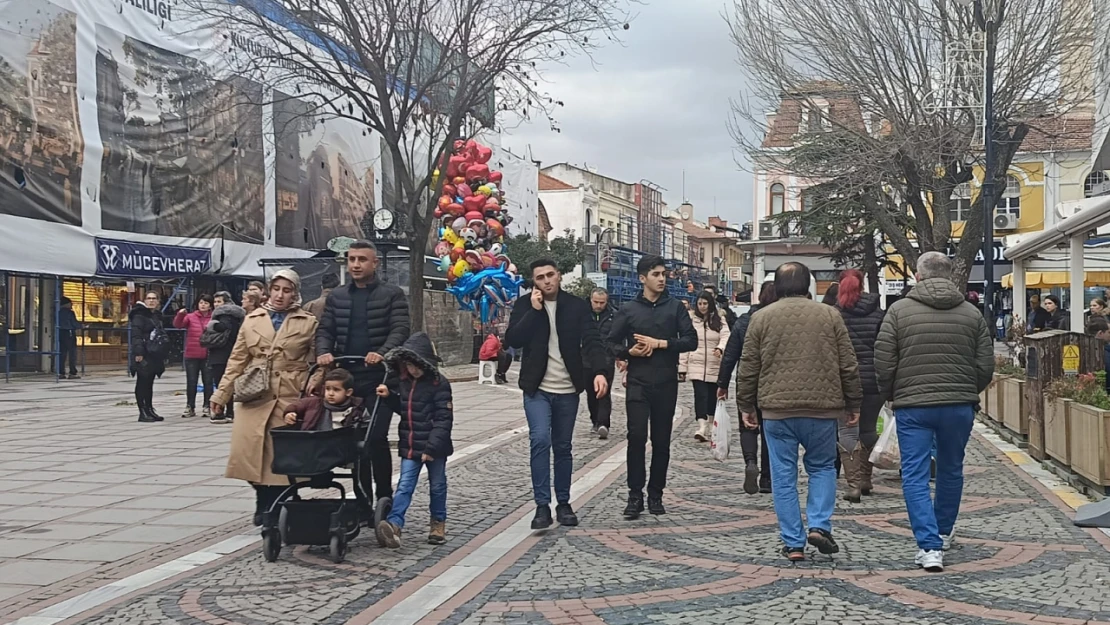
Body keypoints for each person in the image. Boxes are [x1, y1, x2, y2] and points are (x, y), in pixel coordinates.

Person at [875, 252, 994, 573]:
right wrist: (967, 390)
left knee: (914, 473)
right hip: (958, 405)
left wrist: (889, 395)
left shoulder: (898, 311)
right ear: (951, 276)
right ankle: (943, 530)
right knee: (951, 469)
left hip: (913, 405)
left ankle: (929, 546)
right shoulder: (971, 314)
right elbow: (985, 366)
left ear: (918, 276)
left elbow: (884, 362)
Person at [736, 262, 862, 561]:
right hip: (821, 409)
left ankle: (793, 542)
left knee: (782, 475)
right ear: (808, 286)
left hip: (776, 410)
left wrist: (746, 405)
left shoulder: (761, 318)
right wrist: (853, 402)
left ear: (776, 287)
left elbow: (749, 365)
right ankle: (818, 524)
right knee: (822, 467)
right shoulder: (830, 315)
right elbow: (848, 363)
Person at [505, 258, 609, 529]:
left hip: (567, 389)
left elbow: (593, 340)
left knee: (563, 447)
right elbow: (513, 340)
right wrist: (534, 311)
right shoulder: (525, 305)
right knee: (540, 440)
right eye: (540, 277)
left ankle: (563, 503)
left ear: (559, 276)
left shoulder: (576, 306)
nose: (547, 280)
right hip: (537, 388)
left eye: (550, 275)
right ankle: (542, 506)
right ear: (534, 282)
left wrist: (599, 371)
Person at [211, 270, 319, 527]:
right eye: (277, 289)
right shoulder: (251, 320)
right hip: (255, 394)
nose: (281, 295)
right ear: (269, 290)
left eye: (287, 290)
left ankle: (277, 507)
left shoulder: (308, 321)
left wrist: (315, 383)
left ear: (295, 292)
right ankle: (263, 498)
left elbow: (318, 360)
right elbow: (237, 359)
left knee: (281, 460)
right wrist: (221, 394)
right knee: (246, 453)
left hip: (289, 396)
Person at [315, 240, 410, 510]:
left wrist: (382, 352)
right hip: (347, 380)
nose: (356, 264)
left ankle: (383, 494)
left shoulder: (392, 294)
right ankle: (362, 496)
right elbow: (325, 330)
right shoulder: (338, 296)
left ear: (375, 263)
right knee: (353, 441)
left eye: (362, 260)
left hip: (379, 381)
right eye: (352, 259)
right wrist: (323, 352)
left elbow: (400, 329)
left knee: (375, 438)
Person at [607, 255, 697, 520]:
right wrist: (628, 351)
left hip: (666, 383)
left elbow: (691, 340)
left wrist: (662, 344)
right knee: (636, 438)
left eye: (663, 274)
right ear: (642, 278)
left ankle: (656, 493)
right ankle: (635, 495)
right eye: (656, 274)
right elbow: (609, 342)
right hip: (637, 384)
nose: (661, 279)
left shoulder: (675, 308)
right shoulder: (629, 309)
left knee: (661, 441)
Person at [374, 333, 454, 547]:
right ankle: (394, 525)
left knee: (437, 485)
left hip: (434, 446)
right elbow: (405, 410)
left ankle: (438, 522)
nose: (412, 369)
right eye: (408, 365)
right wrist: (389, 397)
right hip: (410, 444)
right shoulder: (406, 384)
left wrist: (431, 448)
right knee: (404, 485)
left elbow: (443, 420)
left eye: (416, 365)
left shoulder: (439, 384)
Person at [718, 281, 777, 495]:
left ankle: (750, 462)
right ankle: (768, 479)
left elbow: (730, 356)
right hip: (773, 383)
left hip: (747, 380)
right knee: (770, 430)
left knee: (748, 424)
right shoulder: (778, 321)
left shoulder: (744, 321)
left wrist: (722, 384)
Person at [833, 269, 886, 502]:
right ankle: (866, 478)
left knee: (846, 431)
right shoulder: (879, 315)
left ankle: (853, 484)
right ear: (862, 286)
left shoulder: (834, 315)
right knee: (869, 429)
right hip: (873, 381)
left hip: (844, 382)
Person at [680, 291, 731, 442]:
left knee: (711, 396)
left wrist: (720, 348)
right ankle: (701, 426)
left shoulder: (719, 320)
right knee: (700, 395)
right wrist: (682, 367)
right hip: (696, 363)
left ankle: (710, 423)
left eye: (705, 303)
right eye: (700, 303)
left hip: (714, 363)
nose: (702, 307)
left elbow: (726, 336)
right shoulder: (691, 321)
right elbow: (685, 342)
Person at [201, 291, 245, 424]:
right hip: (229, 353)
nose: (216, 305)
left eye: (219, 302)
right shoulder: (237, 316)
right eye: (215, 302)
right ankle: (229, 411)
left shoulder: (224, 315)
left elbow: (222, 328)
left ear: (226, 302)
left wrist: (210, 325)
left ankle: (222, 411)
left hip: (221, 354)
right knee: (226, 383)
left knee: (221, 383)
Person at [283, 368, 365, 430]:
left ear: (348, 392)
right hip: (313, 441)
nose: (331, 393)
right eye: (328, 389)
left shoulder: (356, 407)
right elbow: (296, 405)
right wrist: (290, 413)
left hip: (341, 444)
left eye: (336, 390)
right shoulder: (314, 402)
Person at [130, 291, 168, 423]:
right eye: (149, 298)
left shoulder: (156, 316)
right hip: (143, 352)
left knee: (149, 382)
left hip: (154, 353)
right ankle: (142, 411)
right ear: (144, 300)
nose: (151, 301)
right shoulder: (139, 315)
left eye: (154, 299)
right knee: (142, 382)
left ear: (158, 301)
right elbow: (136, 336)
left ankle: (150, 409)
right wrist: (139, 352)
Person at [174, 294, 214, 418]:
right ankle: (190, 406)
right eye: (201, 302)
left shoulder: (213, 318)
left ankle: (207, 406)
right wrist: (180, 314)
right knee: (191, 381)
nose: (203, 305)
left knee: (208, 382)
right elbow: (178, 325)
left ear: (210, 305)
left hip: (208, 354)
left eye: (206, 303)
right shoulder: (190, 317)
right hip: (191, 354)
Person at [588, 288, 617, 440]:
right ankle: (594, 420)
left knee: (604, 392)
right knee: (591, 393)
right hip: (586, 360)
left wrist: (619, 356)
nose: (598, 305)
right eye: (596, 302)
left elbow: (618, 337)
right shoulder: (583, 314)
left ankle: (603, 423)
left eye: (602, 303)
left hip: (606, 359)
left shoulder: (614, 315)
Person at [57, 297, 80, 379]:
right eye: (70, 303)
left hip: (60, 332)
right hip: (69, 332)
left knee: (62, 353)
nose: (72, 305)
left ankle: (61, 372)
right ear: (66, 304)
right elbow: (74, 323)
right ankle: (72, 372)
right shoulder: (70, 313)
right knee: (72, 353)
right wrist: (81, 326)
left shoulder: (58, 312)